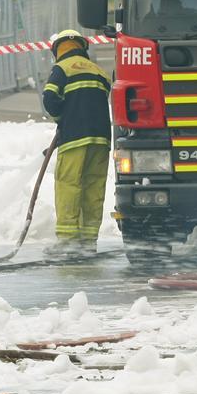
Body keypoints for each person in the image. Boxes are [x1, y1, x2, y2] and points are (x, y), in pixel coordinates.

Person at [41, 29, 112, 257]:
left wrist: (62, 119)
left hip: (74, 139)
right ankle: (88, 242)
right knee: (93, 188)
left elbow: (50, 96)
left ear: (58, 49)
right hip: (101, 139)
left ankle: (68, 241)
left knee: (69, 185)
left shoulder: (62, 68)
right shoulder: (99, 71)